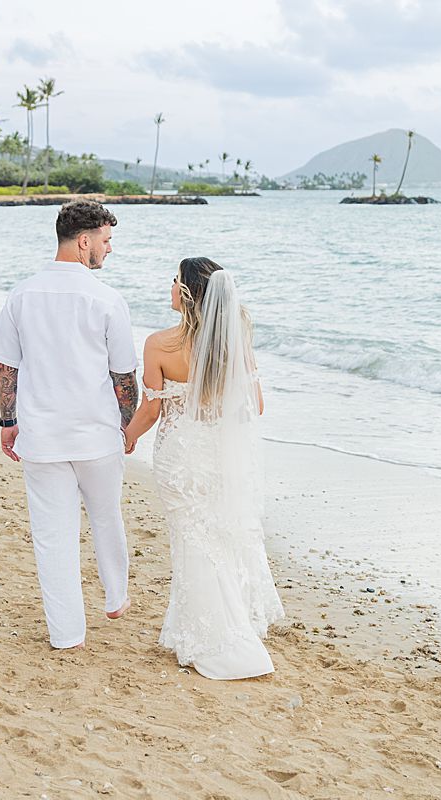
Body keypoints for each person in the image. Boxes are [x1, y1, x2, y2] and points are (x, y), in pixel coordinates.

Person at [0, 200, 140, 650]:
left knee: (53, 538)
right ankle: (116, 597)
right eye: (106, 241)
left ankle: (66, 634)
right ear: (84, 240)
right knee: (107, 516)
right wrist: (127, 425)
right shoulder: (106, 299)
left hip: (43, 437)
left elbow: (6, 368)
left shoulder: (22, 294)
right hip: (96, 435)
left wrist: (8, 422)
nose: (109, 250)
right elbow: (124, 375)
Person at [124, 257, 285, 679]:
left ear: (188, 292)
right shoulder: (235, 343)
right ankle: (215, 627)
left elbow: (151, 411)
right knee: (218, 537)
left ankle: (211, 637)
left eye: (175, 280)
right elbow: (257, 406)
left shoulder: (159, 344)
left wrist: (126, 436)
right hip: (219, 455)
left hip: (180, 456)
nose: (170, 286)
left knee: (191, 542)